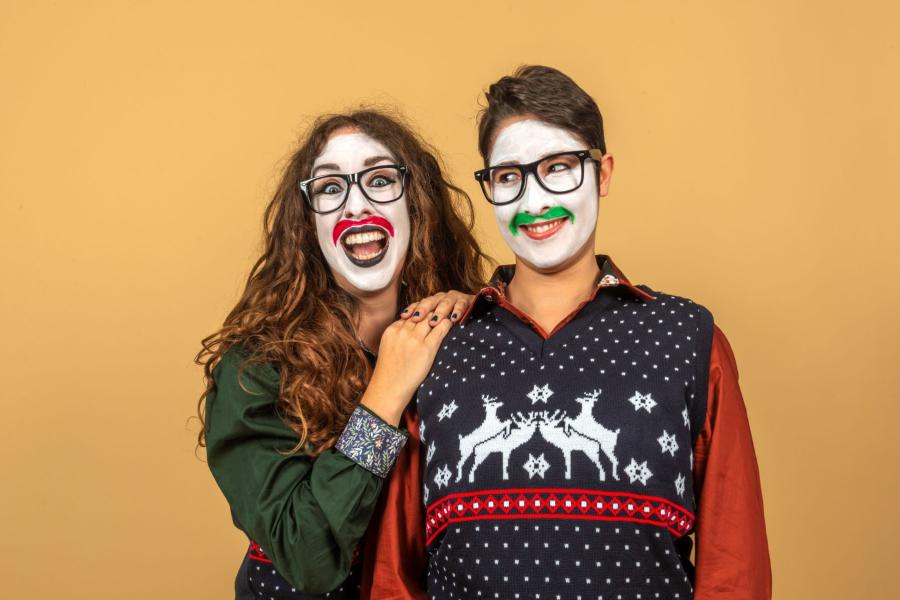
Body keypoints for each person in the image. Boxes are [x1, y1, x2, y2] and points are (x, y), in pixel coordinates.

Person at [371, 66, 772, 599]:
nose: (534, 202)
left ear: (602, 174)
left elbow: (733, 564)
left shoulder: (687, 338)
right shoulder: (437, 344)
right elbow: (393, 575)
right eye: (509, 176)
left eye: (558, 168)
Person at [195, 109, 488, 599]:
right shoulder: (254, 371)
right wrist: (385, 395)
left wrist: (476, 312)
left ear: (417, 208)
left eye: (379, 179)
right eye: (331, 188)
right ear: (308, 224)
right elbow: (307, 556)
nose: (356, 206)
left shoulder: (457, 341)